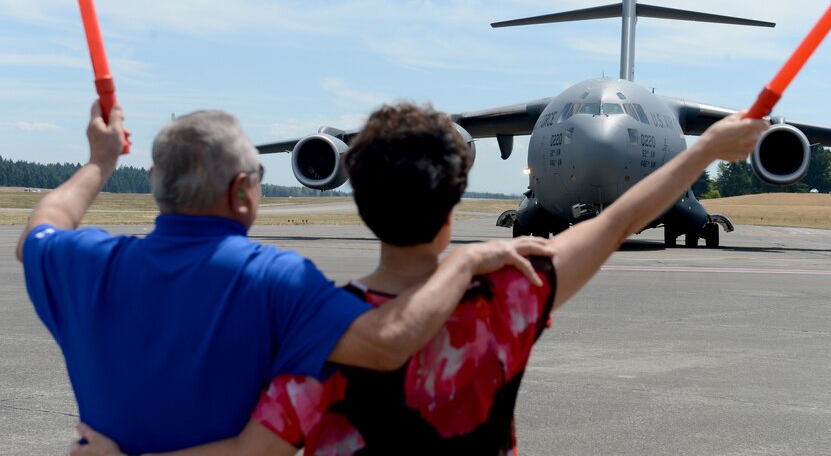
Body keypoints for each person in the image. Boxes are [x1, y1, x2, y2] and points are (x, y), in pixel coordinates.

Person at [70, 101, 767, 456]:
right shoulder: (510, 294)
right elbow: (614, 222)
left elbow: (252, 451)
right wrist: (704, 147)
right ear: (452, 207)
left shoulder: (317, 328)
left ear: (362, 201)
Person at [17, 101, 550, 455]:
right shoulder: (274, 280)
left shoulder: (82, 262)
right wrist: (462, 261)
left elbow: (38, 230)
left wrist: (99, 163)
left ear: (156, 182)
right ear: (244, 191)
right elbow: (388, 342)